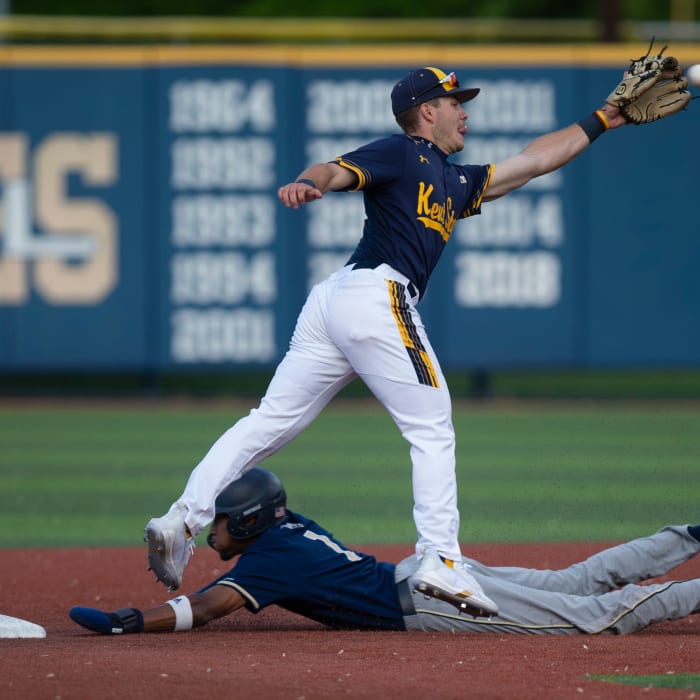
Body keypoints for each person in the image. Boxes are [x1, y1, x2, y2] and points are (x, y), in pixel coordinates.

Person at [144, 64, 645, 615]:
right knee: (431, 426)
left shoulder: (453, 181)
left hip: (336, 303)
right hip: (375, 295)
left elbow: (534, 161)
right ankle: (441, 559)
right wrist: (312, 183)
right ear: (427, 110)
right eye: (456, 102)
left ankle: (180, 519)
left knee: (268, 421)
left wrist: (605, 118)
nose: (465, 112)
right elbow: (334, 169)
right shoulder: (403, 152)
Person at [75, 467, 700, 636]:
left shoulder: (269, 559)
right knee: (576, 581)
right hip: (434, 574)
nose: (211, 534)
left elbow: (204, 610)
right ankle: (687, 537)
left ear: (249, 524)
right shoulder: (289, 526)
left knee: (592, 615)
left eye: (218, 525)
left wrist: (128, 622)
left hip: (430, 598)